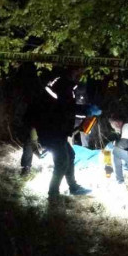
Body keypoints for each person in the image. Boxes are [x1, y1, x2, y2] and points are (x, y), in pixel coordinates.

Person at [33, 68, 101, 197]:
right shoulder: (64, 86)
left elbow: (64, 108)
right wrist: (87, 110)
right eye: (79, 72)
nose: (81, 75)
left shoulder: (62, 83)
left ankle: (73, 187)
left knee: (70, 154)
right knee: (62, 161)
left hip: (55, 129)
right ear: (72, 72)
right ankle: (53, 194)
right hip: (51, 130)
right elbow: (66, 109)